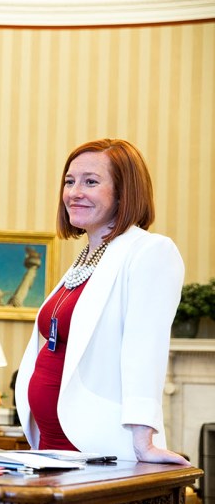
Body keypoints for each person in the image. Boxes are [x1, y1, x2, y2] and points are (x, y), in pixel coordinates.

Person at [15, 138, 188, 464]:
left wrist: (143, 443)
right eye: (70, 181)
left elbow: (144, 348)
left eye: (90, 182)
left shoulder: (150, 252)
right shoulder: (86, 258)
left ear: (124, 192)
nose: (74, 192)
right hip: (50, 445)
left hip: (100, 448)